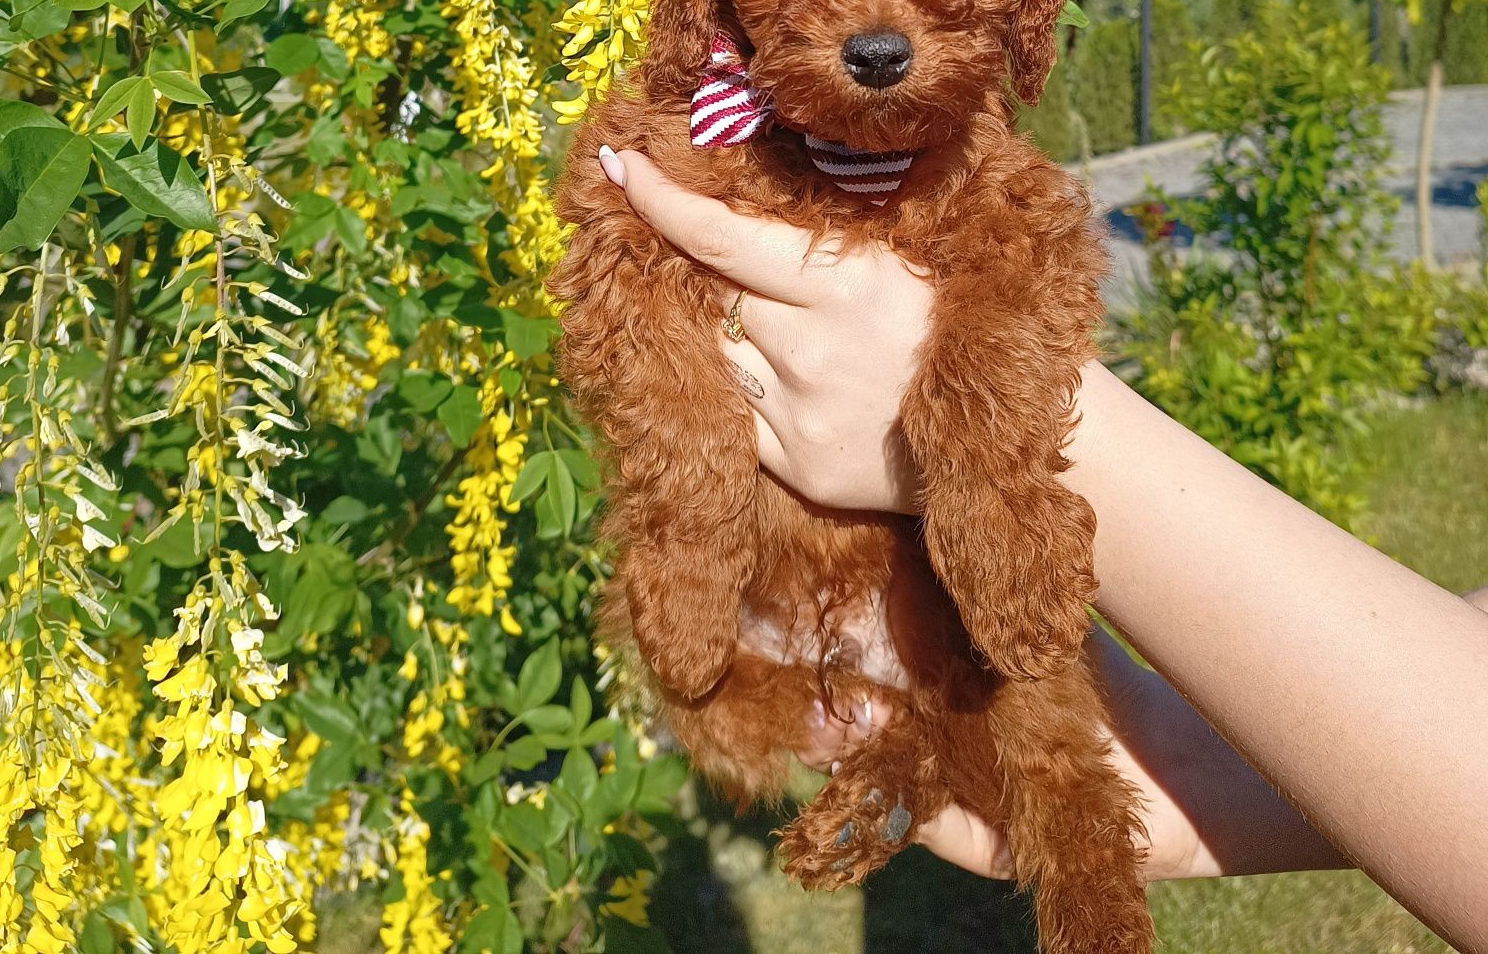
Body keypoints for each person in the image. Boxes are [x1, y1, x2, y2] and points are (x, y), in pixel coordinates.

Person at [596, 144, 1488, 954]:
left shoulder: (972, 156)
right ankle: (916, 751)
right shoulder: (689, 120)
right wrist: (694, 522)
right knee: (742, 700)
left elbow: (1031, 244)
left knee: (1012, 666)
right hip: (764, 580)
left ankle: (1070, 860)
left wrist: (985, 466)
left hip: (932, 567)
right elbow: (610, 272)